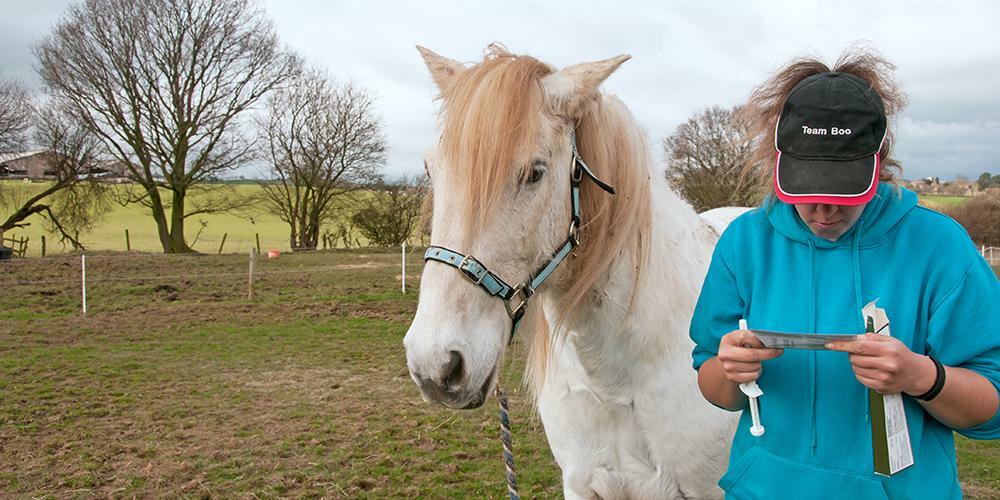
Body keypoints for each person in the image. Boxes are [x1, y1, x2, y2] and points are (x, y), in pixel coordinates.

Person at [689, 49, 1000, 499]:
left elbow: (991, 406)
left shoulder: (940, 247)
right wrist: (731, 369)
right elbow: (715, 387)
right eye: (806, 187)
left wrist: (921, 377)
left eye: (844, 189)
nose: (825, 209)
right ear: (779, 164)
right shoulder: (744, 243)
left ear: (879, 161)